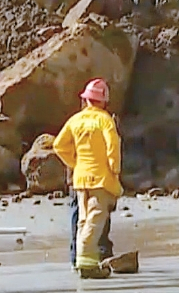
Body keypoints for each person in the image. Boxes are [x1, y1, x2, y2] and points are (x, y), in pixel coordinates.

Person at [54, 78, 123, 279]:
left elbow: (59, 145)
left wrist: (74, 162)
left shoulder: (75, 120)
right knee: (95, 220)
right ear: (104, 101)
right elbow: (113, 147)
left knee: (83, 220)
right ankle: (86, 261)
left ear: (86, 100)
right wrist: (114, 169)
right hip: (100, 179)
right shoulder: (105, 120)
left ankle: (85, 261)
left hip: (80, 178)